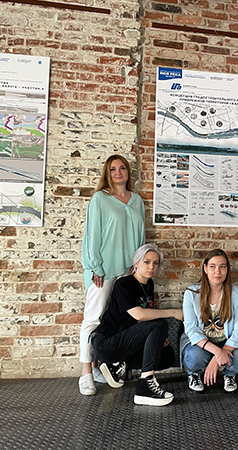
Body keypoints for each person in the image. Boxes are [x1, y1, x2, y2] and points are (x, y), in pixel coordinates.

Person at [79, 155, 145, 396]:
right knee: (94, 318)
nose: (118, 172)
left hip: (128, 271)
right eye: (113, 169)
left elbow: (141, 237)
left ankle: (101, 366)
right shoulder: (100, 199)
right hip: (103, 270)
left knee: (116, 321)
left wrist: (138, 266)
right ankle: (86, 372)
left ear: (128, 172)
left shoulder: (137, 201)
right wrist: (96, 266)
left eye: (122, 168)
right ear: (108, 173)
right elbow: (92, 236)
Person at [92, 243, 183, 406]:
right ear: (136, 263)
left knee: (167, 355)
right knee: (160, 324)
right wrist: (173, 312)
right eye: (147, 262)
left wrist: (158, 338)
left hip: (126, 344)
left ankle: (118, 365)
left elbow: (146, 318)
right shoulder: (124, 284)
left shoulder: (149, 285)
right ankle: (144, 387)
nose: (151, 267)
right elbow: (139, 314)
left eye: (155, 263)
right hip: (107, 343)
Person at [181, 249, 238, 393]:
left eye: (222, 266)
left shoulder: (236, 293)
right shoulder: (191, 293)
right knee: (193, 357)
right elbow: (191, 329)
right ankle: (194, 374)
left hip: (227, 343)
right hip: (201, 344)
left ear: (227, 269)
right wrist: (217, 352)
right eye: (212, 266)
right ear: (205, 268)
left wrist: (219, 355)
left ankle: (229, 375)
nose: (217, 271)